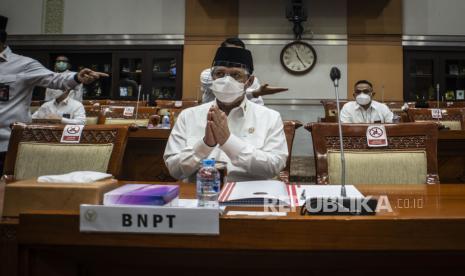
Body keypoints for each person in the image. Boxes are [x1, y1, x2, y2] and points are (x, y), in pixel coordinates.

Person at [0, 15, 108, 174]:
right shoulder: (46, 106)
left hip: (6, 145)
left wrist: (77, 77)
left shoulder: (23, 65)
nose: (60, 63)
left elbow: (54, 79)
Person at [164, 46, 288, 182]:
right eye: (220, 74)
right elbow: (174, 170)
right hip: (201, 195)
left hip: (248, 195)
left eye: (236, 75)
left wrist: (229, 142)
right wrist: (205, 145)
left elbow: (274, 167)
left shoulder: (269, 117)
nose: (227, 81)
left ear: (249, 82)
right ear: (212, 78)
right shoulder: (188, 116)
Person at [200, 37, 288, 105]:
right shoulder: (208, 75)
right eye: (230, 52)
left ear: (249, 81)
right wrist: (255, 92)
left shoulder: (251, 80)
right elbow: (226, 93)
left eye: (239, 53)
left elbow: (258, 105)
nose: (234, 57)